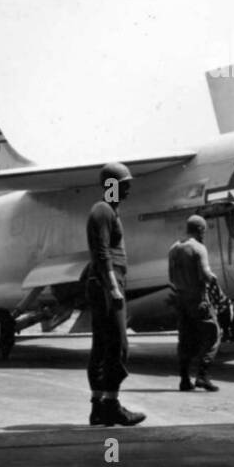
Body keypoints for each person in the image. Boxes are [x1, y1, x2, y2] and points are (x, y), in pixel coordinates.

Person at [86, 162, 145, 426]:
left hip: (108, 281)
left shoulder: (110, 211)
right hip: (107, 283)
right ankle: (111, 405)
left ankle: (99, 408)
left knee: (103, 345)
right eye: (125, 184)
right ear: (111, 185)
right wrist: (112, 286)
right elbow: (101, 253)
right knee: (118, 345)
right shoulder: (102, 210)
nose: (129, 190)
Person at [167, 215, 221, 391]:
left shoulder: (174, 248)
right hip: (198, 299)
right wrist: (214, 279)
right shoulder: (198, 248)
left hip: (180, 300)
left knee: (184, 340)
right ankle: (202, 376)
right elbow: (206, 275)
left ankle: (184, 380)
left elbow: (171, 278)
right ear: (200, 230)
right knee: (214, 335)